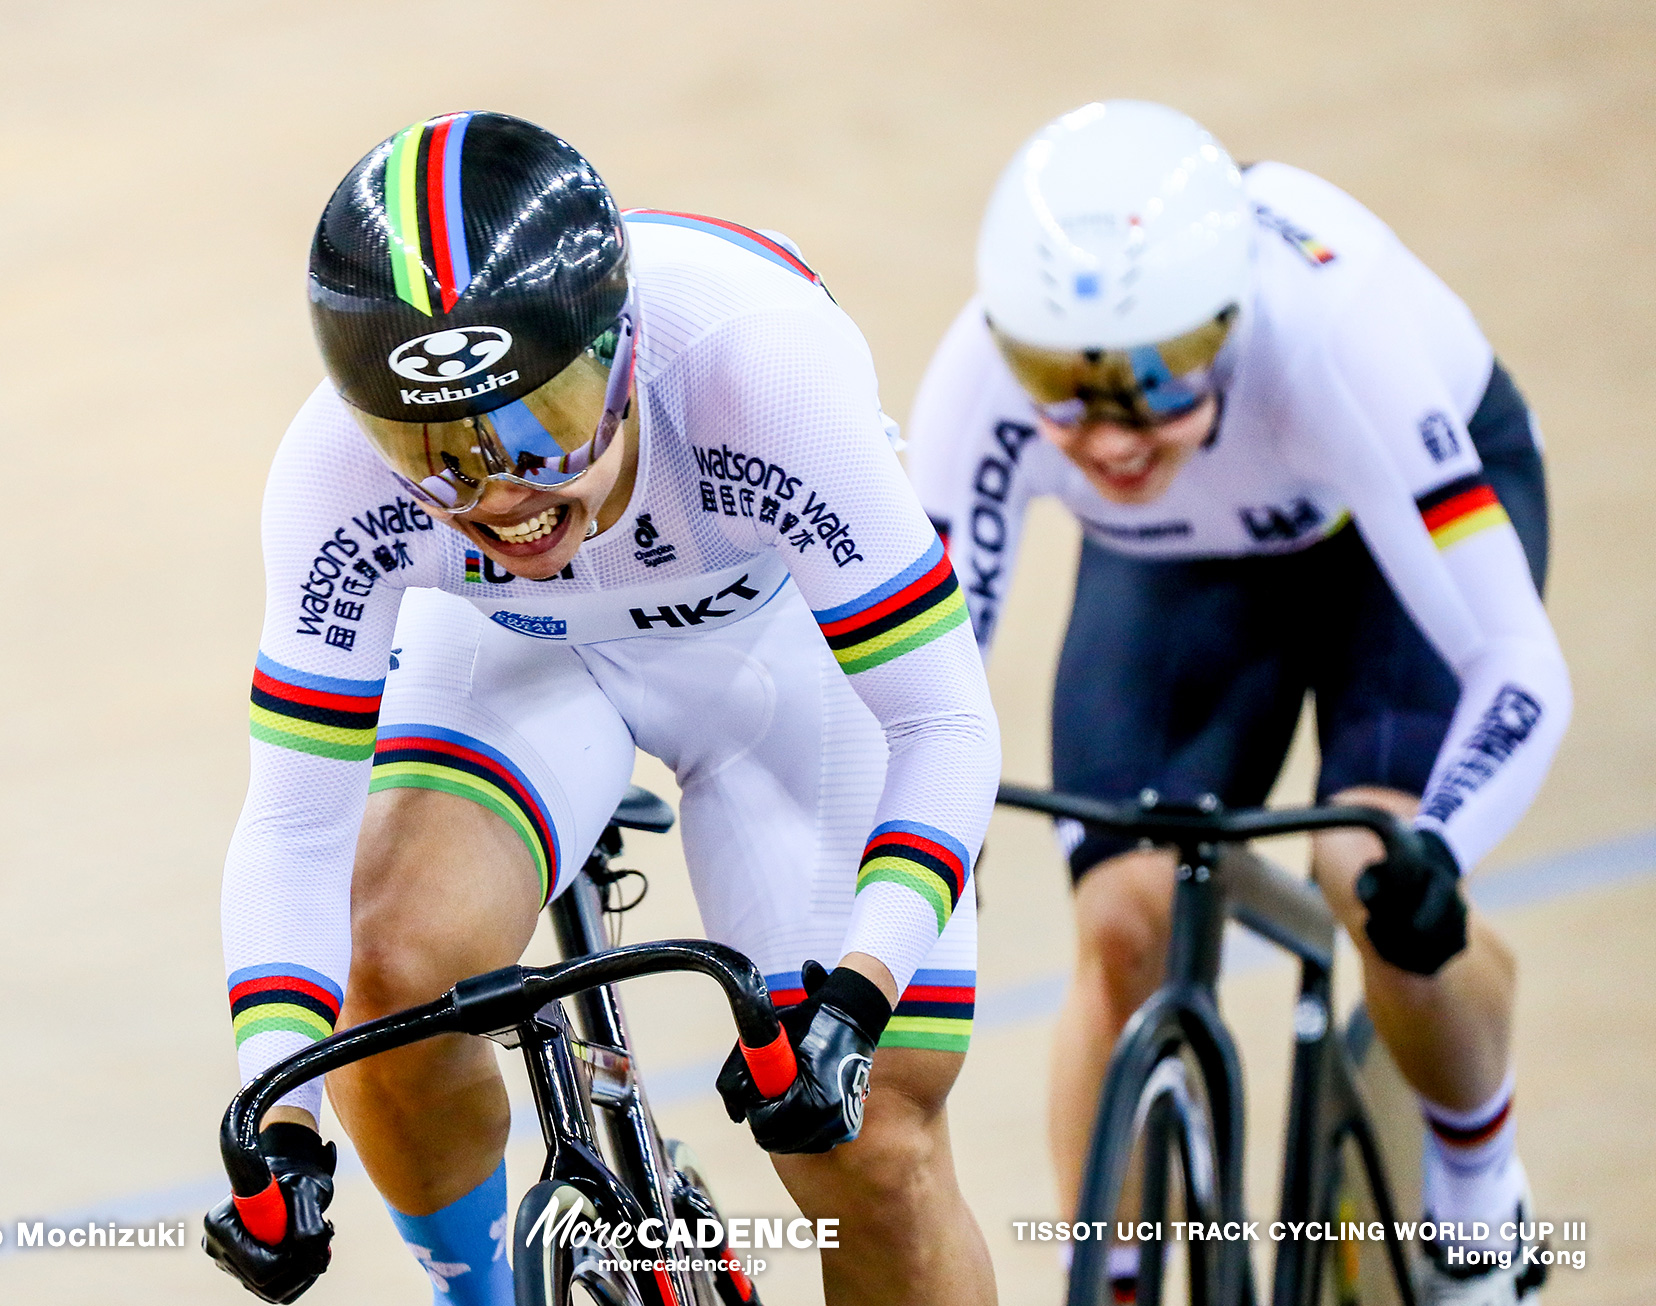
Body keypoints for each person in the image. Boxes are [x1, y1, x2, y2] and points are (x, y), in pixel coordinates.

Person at [201, 111, 1002, 1306]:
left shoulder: (759, 370)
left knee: (869, 1132)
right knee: (389, 967)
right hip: (518, 653)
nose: (507, 497)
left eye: (546, 426)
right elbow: (294, 827)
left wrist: (857, 993)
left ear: (624, 351)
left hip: (774, 645)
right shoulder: (330, 473)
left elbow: (942, 725)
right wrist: (284, 1116)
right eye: (439, 453)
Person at [903, 101, 1567, 1305]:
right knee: (1121, 916)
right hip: (1180, 548)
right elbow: (916, 667)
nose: (1108, 433)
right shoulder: (983, 377)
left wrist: (1438, 845)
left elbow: (1517, 663)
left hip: (1384, 518)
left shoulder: (1333, 344)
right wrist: (912, 831)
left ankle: (1477, 1187)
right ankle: (1110, 1275)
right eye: (1065, 387)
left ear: (1227, 326)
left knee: (1364, 872)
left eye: (1157, 382)